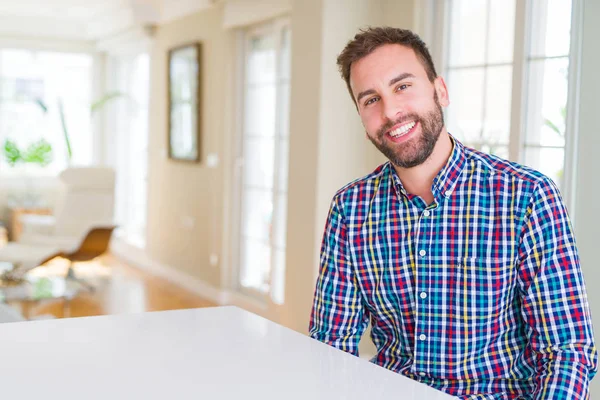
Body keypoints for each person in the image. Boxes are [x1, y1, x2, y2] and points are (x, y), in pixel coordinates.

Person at [308, 26, 597, 399]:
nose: (391, 111)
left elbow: (567, 354)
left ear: (440, 91)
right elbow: (330, 347)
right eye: (370, 100)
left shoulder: (527, 196)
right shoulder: (350, 209)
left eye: (402, 86)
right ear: (363, 121)